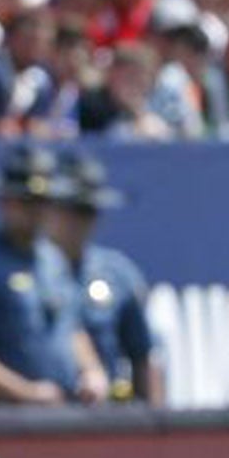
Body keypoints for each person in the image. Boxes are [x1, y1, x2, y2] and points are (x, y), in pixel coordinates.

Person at [0, 146, 106, 408]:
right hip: (1, 422)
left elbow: (71, 328)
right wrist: (26, 393)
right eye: (27, 202)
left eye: (44, 202)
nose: (37, 212)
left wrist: (91, 372)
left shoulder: (53, 259)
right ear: (4, 202)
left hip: (60, 415)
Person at [47, 154, 160, 406]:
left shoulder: (116, 273)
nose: (77, 222)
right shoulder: (26, 272)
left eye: (87, 211)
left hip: (100, 413)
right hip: (37, 410)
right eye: (69, 210)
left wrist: (156, 429)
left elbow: (143, 355)